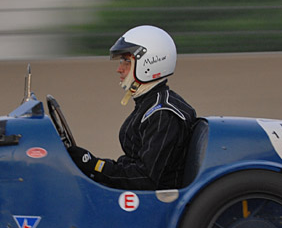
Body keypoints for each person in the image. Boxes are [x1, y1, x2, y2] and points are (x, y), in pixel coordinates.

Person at [68, 25, 198, 190]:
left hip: (155, 203)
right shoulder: (150, 104)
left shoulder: (162, 113)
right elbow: (131, 165)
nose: (119, 69)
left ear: (150, 63)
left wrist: (95, 165)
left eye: (127, 61)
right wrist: (95, 165)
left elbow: (145, 178)